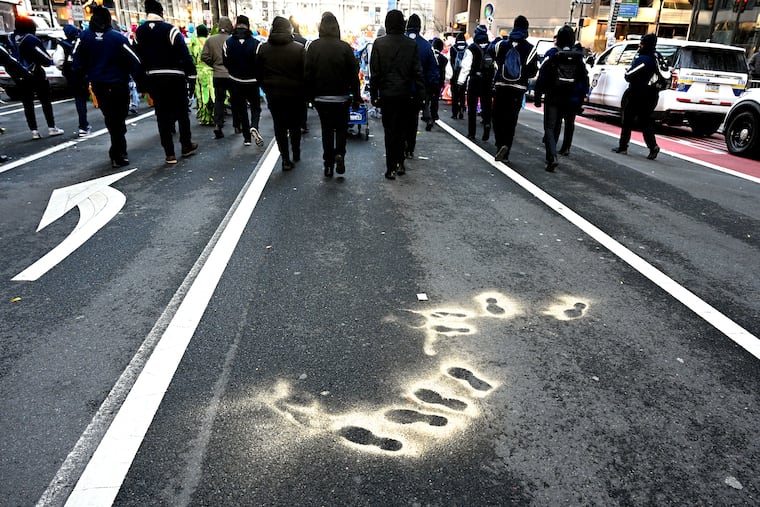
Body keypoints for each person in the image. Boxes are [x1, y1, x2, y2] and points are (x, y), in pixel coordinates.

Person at [72, 6, 142, 168]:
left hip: (98, 84)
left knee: (110, 117)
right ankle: (118, 152)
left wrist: (82, 78)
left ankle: (117, 150)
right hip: (118, 84)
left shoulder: (84, 37)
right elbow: (134, 61)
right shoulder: (117, 38)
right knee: (119, 118)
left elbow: (76, 62)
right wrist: (139, 80)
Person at [133, 0, 198, 164]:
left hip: (154, 78)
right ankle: (186, 145)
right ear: (161, 12)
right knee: (182, 113)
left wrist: (142, 82)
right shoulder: (170, 30)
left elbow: (136, 59)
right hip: (175, 77)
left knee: (162, 115)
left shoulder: (139, 33)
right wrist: (191, 77)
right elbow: (185, 55)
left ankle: (169, 153)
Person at [304, 11, 360, 178]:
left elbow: (308, 74)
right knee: (341, 128)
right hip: (341, 97)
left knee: (326, 130)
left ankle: (328, 164)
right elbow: (353, 74)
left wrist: (309, 97)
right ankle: (340, 154)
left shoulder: (314, 46)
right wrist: (356, 97)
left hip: (321, 97)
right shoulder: (344, 47)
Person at [370, 9, 425, 180]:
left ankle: (390, 167)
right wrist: (421, 96)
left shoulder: (379, 44)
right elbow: (418, 72)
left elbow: (375, 73)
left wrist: (374, 95)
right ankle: (401, 162)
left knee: (390, 131)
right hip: (405, 94)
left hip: (387, 94)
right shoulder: (411, 44)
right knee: (402, 130)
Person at [534, 25, 588, 171]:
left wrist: (538, 95)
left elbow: (542, 76)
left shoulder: (552, 53)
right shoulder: (577, 57)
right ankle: (561, 150)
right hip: (569, 97)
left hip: (553, 95)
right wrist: (581, 97)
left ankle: (551, 156)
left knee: (550, 126)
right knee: (562, 124)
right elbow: (584, 79)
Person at [256, 16, 306, 171]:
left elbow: (258, 73)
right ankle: (296, 151)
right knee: (295, 124)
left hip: (274, 93)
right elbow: (305, 73)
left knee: (279, 126)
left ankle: (285, 158)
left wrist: (265, 88)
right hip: (295, 93)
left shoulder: (263, 49)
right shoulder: (298, 48)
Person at [490, 15, 537, 163]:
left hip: (501, 86)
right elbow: (533, 71)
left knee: (497, 117)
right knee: (511, 120)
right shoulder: (530, 48)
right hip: (518, 88)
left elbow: (492, 55)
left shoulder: (502, 45)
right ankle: (506, 148)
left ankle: (499, 145)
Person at [9, 15, 64, 139]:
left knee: (27, 104)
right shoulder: (30, 39)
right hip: (36, 74)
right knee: (45, 101)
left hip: (19, 76)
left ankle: (34, 131)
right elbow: (45, 59)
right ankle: (51, 127)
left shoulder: (10, 38)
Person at [612, 33, 661, 160]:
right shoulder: (657, 57)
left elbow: (629, 75)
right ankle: (653, 146)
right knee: (646, 121)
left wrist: (628, 73)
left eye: (642, 43)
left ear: (645, 44)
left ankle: (623, 146)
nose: (640, 45)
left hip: (637, 94)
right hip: (652, 95)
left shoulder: (644, 59)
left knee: (627, 120)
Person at [223, 15, 264, 147]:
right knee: (255, 108)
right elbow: (260, 63)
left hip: (235, 81)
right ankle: (254, 126)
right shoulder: (256, 43)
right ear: (248, 26)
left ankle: (247, 138)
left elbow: (225, 61)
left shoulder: (228, 42)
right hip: (252, 81)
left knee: (241, 109)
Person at [405, 13, 439, 144]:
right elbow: (433, 70)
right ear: (419, 27)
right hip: (418, 90)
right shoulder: (426, 46)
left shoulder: (401, 41)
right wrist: (432, 88)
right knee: (413, 119)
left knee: (400, 118)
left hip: (400, 88)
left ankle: (401, 145)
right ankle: (410, 146)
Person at [457, 24, 494, 141]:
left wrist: (460, 82)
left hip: (475, 80)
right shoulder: (491, 47)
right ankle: (487, 124)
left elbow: (466, 67)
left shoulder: (472, 48)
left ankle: (471, 133)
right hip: (487, 81)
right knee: (486, 106)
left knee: (472, 108)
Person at [201, 16, 235, 139]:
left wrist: (213, 64)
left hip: (217, 74)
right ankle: (237, 125)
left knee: (219, 101)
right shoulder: (231, 40)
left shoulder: (211, 40)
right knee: (235, 100)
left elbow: (204, 56)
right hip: (231, 74)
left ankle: (218, 125)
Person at [54, 24, 91, 137]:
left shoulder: (62, 44)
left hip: (72, 75)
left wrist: (66, 68)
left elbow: (58, 61)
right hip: (85, 73)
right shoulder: (83, 40)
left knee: (79, 100)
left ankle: (83, 126)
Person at [190, 24, 214, 125]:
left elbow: (192, 58)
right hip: (211, 71)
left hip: (199, 72)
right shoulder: (211, 42)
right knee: (212, 94)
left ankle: (204, 117)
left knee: (201, 94)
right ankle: (213, 115)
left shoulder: (194, 43)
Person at [289, 15, 310, 134]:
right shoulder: (304, 41)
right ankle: (303, 124)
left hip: (287, 75)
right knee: (302, 102)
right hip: (301, 76)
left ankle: (291, 123)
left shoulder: (284, 41)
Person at [449, 33, 468, 119]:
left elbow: (451, 62)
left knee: (455, 95)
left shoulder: (453, 48)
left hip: (455, 74)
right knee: (462, 94)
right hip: (463, 74)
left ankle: (454, 113)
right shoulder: (467, 47)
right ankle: (461, 110)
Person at [430, 37, 447, 129]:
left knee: (428, 97)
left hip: (430, 80)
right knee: (435, 99)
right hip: (439, 81)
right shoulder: (444, 59)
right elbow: (446, 72)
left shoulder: (430, 56)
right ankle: (434, 114)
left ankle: (427, 114)